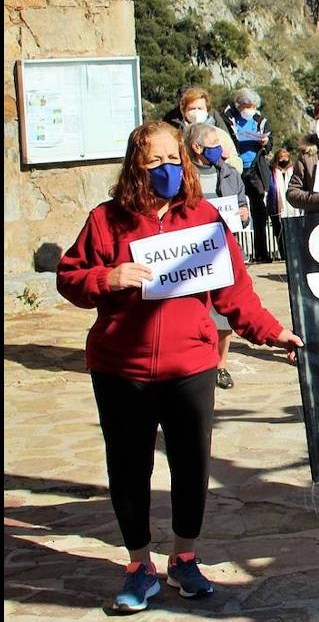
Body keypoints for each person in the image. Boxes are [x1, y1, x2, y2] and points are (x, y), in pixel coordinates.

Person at [56, 121, 302, 613]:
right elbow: (70, 278)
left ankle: (184, 557)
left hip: (190, 365)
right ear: (134, 167)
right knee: (129, 469)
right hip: (120, 368)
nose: (166, 170)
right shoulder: (107, 220)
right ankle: (138, 564)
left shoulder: (204, 217)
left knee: (192, 466)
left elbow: (234, 291)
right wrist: (109, 276)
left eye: (173, 160)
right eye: (153, 162)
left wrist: (272, 332)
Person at [185, 123, 250, 391]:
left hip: (225, 253)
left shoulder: (230, 174)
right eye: (214, 144)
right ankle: (198, 364)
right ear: (197, 148)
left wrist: (244, 214)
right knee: (197, 313)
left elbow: (242, 203)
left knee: (224, 316)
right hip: (192, 256)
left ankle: (220, 366)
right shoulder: (184, 177)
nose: (220, 150)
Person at [221, 88, 273, 263]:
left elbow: (269, 144)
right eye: (247, 106)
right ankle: (234, 254)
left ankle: (262, 252)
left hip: (254, 169)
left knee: (259, 210)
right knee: (233, 210)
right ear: (239, 104)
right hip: (234, 169)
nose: (250, 109)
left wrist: (265, 143)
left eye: (253, 106)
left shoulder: (261, 121)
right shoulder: (227, 119)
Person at [161, 86, 241, 173]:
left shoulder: (220, 135)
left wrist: (226, 161)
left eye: (200, 108)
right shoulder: (175, 136)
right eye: (192, 109)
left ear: (207, 110)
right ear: (183, 111)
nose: (196, 112)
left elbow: (237, 166)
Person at [267, 147, 301, 259]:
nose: (284, 160)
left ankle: (295, 253)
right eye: (281, 158)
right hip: (277, 207)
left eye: (286, 157)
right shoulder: (271, 171)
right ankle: (283, 254)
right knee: (280, 233)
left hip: (293, 208)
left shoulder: (294, 169)